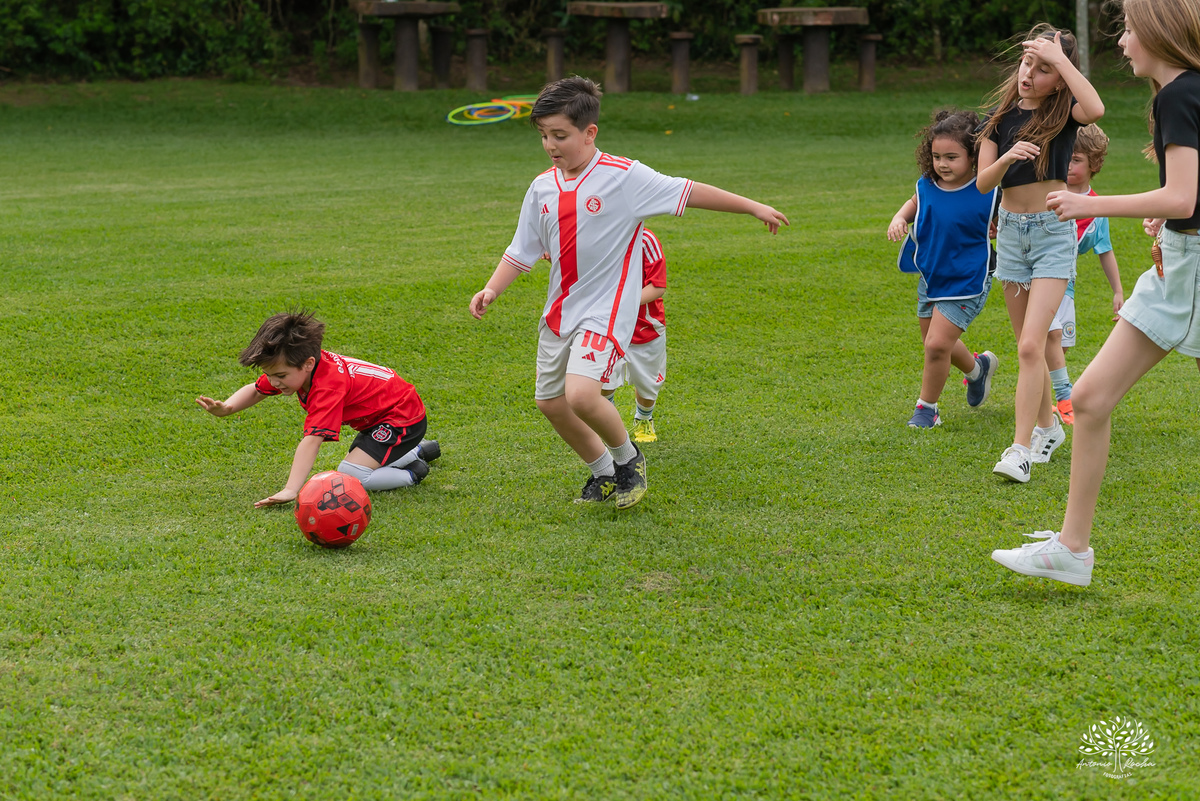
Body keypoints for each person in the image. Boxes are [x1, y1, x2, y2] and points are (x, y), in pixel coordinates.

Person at [469, 76, 787, 509]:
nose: (550, 145)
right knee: (551, 403)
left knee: (582, 395)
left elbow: (689, 191)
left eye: (560, 135)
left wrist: (751, 206)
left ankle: (628, 459)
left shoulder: (624, 177)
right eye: (544, 136)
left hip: (607, 311)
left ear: (590, 132)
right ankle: (602, 471)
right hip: (560, 311)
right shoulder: (542, 187)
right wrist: (492, 288)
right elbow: (521, 250)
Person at [991, 0, 1200, 586]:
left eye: (1130, 30)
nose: (1123, 42)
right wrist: (1171, 225)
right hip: (1179, 266)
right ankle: (1072, 549)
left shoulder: (1182, 94)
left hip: (1193, 271)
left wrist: (1091, 205)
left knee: (1087, 399)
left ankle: (1073, 547)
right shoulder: (1179, 94)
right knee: (1086, 399)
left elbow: (1182, 196)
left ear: (1158, 34)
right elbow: (1187, 200)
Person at [976, 24, 1105, 483]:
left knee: (1033, 345)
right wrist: (1007, 157)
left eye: (1044, 68)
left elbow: (1096, 108)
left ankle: (1020, 448)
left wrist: (1064, 61)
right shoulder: (996, 118)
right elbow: (982, 184)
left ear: (1060, 78)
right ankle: (1049, 429)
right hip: (1010, 236)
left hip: (1052, 234)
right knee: (1025, 346)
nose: (1030, 73)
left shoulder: (1066, 114)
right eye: (1028, 62)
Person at [196, 311, 439, 507]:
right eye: (269, 375)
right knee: (360, 461)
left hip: (402, 419)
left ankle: (413, 473)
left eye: (280, 375)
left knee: (351, 473)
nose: (274, 382)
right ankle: (420, 450)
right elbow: (256, 389)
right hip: (383, 416)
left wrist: (291, 489)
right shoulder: (303, 367)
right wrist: (227, 408)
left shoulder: (328, 386)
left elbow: (312, 440)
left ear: (308, 363)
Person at [887, 109, 1001, 428]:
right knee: (937, 343)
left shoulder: (988, 190)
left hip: (969, 279)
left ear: (974, 156)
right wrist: (899, 219)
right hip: (931, 277)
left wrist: (998, 227)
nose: (942, 164)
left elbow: (1007, 220)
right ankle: (978, 370)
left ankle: (927, 409)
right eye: (937, 156)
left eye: (952, 157)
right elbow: (913, 204)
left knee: (937, 344)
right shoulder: (927, 185)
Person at [1046, 123, 1125, 425]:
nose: (1067, 165)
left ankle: (1044, 396)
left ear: (1095, 163)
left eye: (1075, 159)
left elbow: (1105, 250)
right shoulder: (1048, 191)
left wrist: (1117, 290)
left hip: (1067, 284)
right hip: (1038, 278)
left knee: (1058, 346)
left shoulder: (1097, 209)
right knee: (1048, 336)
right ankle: (1065, 398)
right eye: (1065, 156)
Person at [601, 227, 668, 443]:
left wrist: (622, 303)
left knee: (647, 384)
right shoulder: (598, 235)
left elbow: (657, 287)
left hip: (645, 327)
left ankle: (644, 419)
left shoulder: (646, 240)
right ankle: (611, 424)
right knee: (601, 378)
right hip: (606, 324)